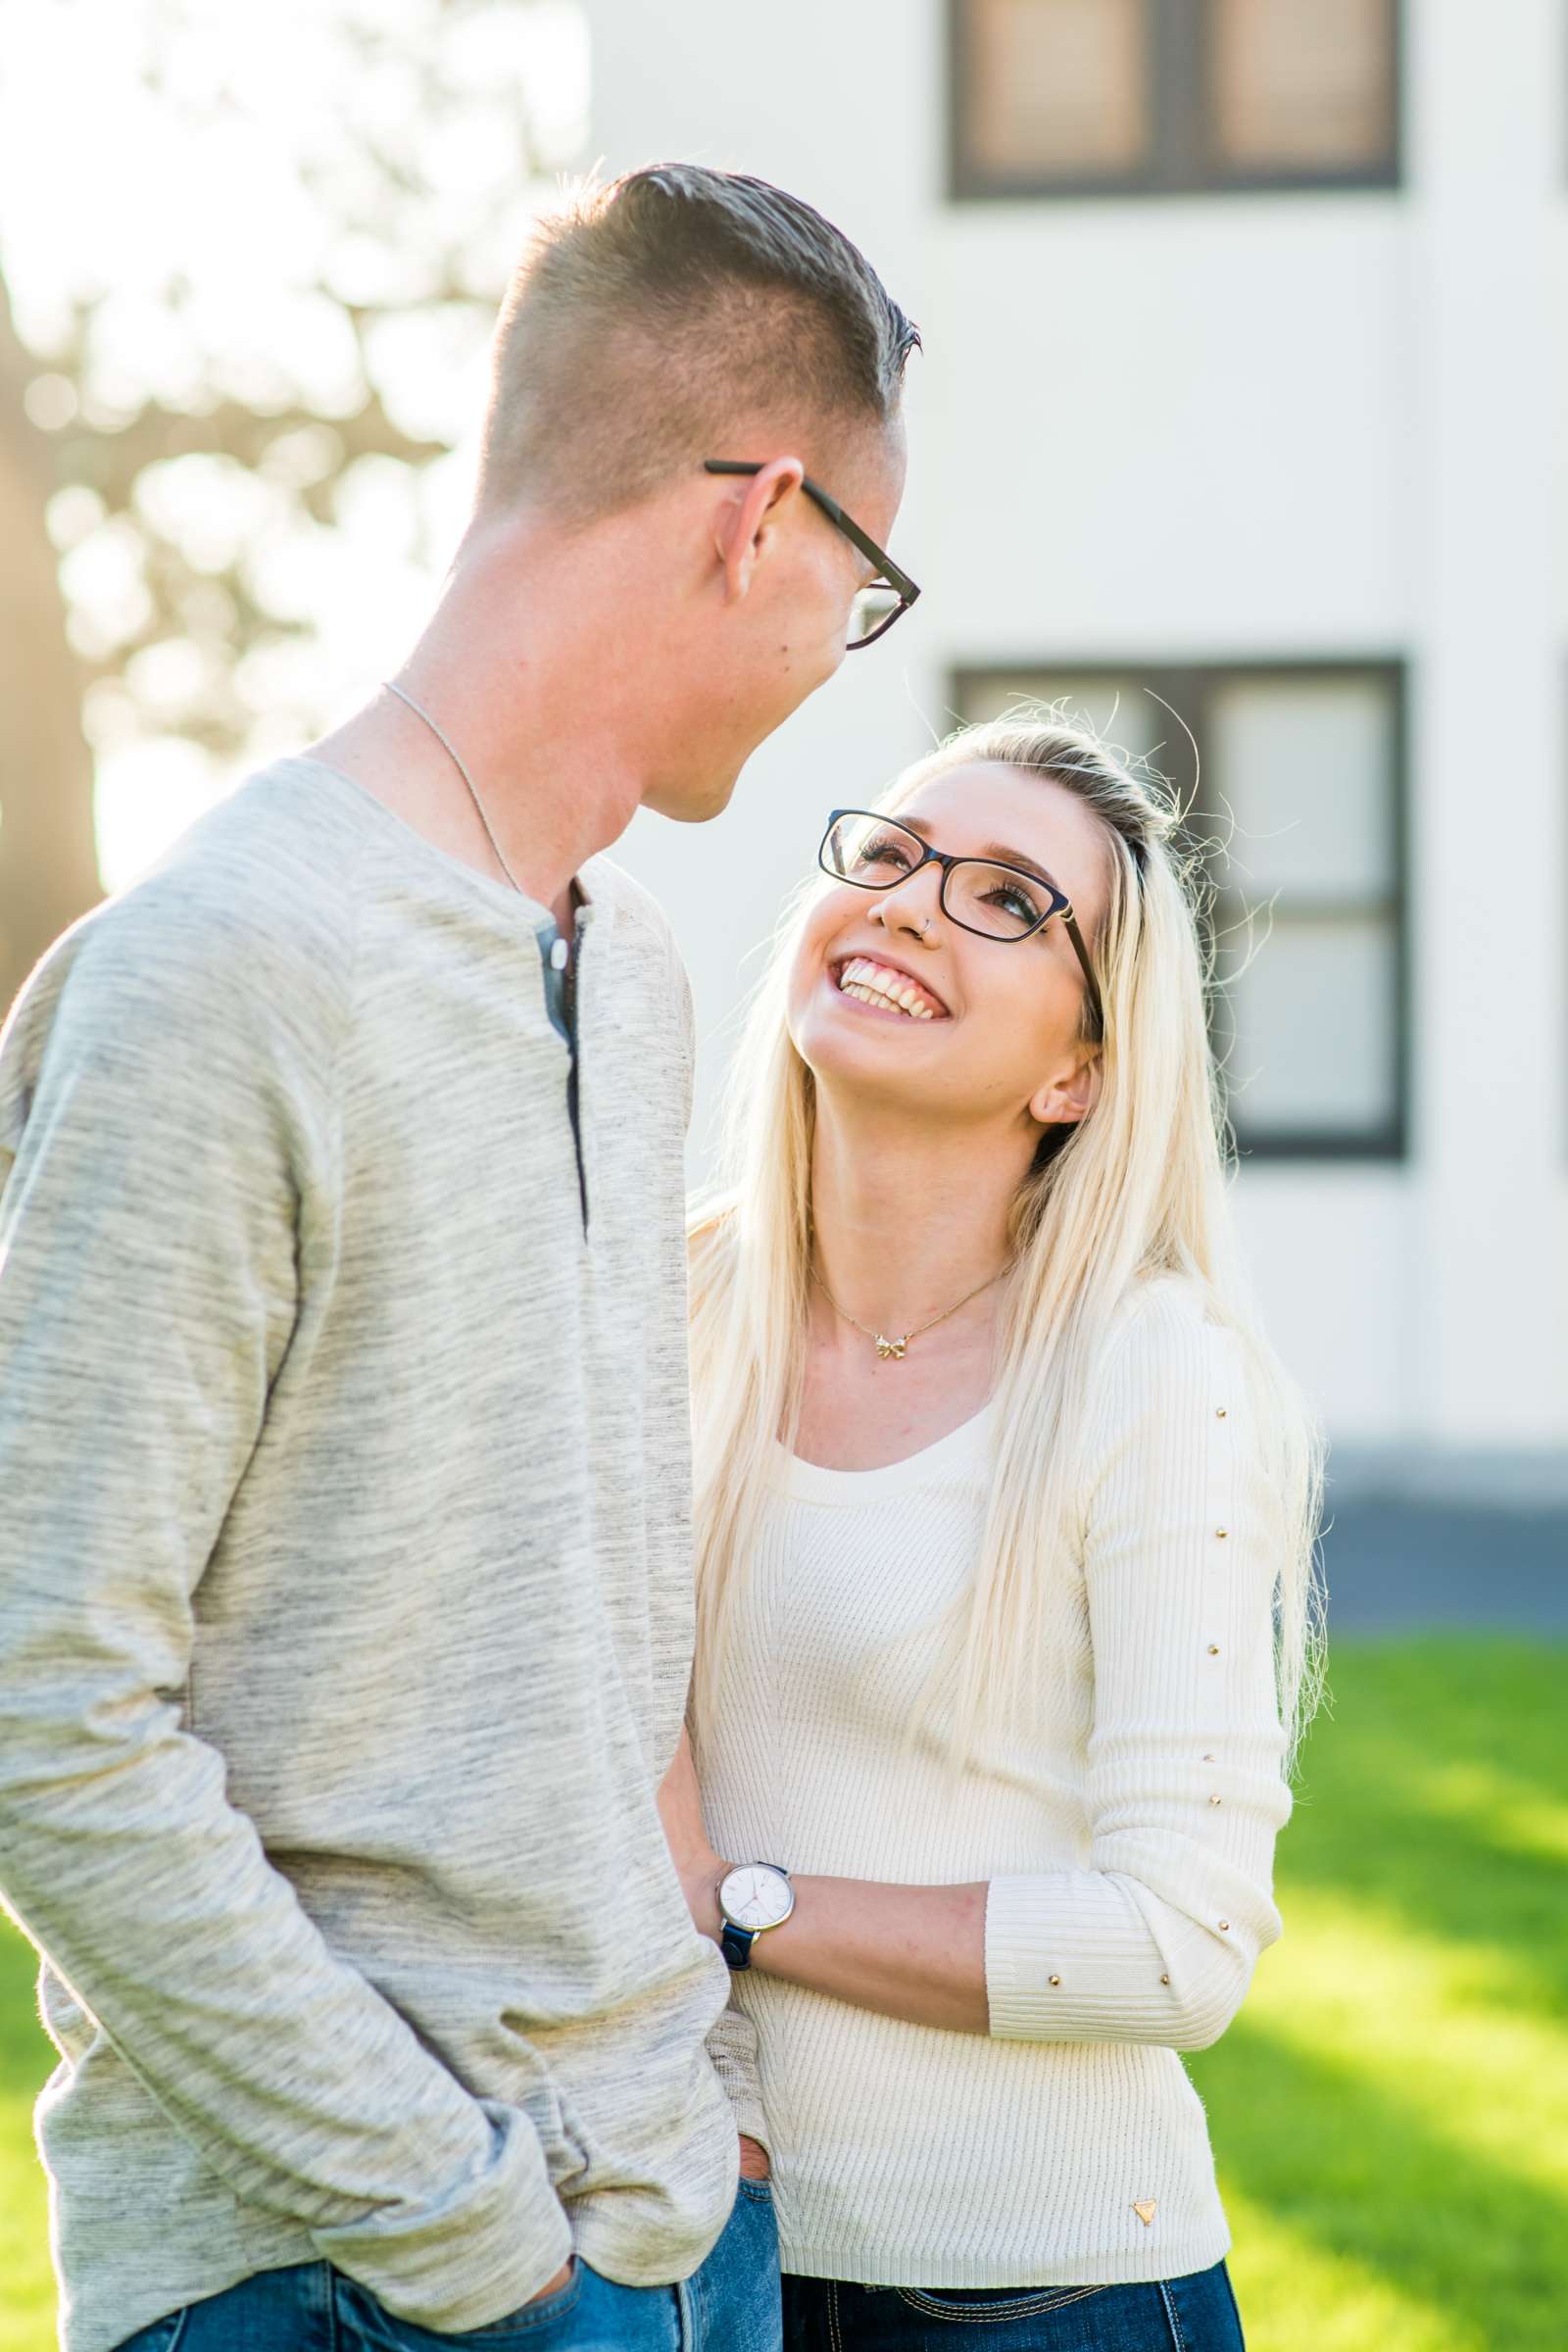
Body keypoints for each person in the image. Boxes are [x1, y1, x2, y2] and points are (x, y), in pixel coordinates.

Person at [0, 165, 917, 2352]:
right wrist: (454, 2230)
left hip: (672, 2233)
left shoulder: (644, 976)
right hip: (341, 2276)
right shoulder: (218, 968)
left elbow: (594, 1621)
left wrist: (707, 2123)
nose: (831, 652)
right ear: (757, 521)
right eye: (859, 590)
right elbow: (44, 1701)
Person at [657, 715, 1325, 2350]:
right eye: (886, 854)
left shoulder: (1149, 1368)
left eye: (1009, 899)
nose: (907, 902)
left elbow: (1181, 1944)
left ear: (1078, 1069)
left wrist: (737, 1901)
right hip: (682, 2251)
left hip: (1037, 2294)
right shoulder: (658, 1300)